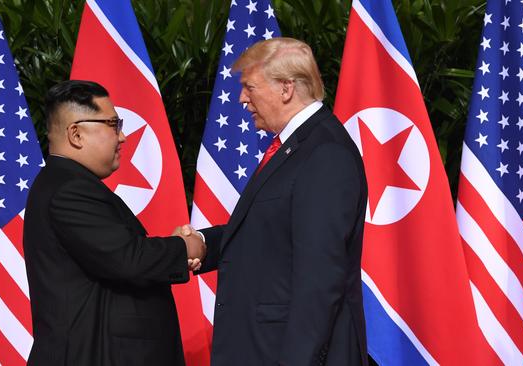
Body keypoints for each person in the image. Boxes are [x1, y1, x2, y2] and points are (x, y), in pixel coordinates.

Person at [186, 37, 369, 365]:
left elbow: (319, 278)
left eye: (250, 87)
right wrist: (202, 242)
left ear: (286, 88)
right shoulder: (297, 146)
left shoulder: (324, 153)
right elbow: (269, 232)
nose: (242, 99)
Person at [23, 80, 205, 366]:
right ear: (76, 134)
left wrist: (194, 245)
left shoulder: (68, 183)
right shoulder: (69, 190)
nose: (122, 137)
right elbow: (128, 259)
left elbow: (119, 254)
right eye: (113, 124)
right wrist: (184, 248)